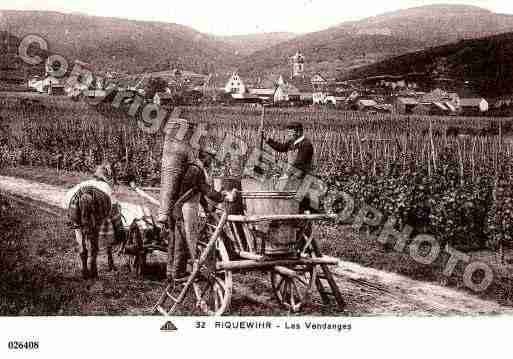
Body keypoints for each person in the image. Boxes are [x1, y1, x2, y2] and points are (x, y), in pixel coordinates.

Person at [170, 148, 236, 282]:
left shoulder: (196, 169)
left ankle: (177, 272)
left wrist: (206, 207)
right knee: (183, 240)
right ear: (205, 157)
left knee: (186, 239)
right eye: (211, 158)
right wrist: (222, 197)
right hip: (184, 208)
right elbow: (204, 189)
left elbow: (195, 192)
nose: (211, 162)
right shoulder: (195, 170)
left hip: (187, 207)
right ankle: (177, 275)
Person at [62, 163, 124, 279]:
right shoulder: (106, 188)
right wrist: (117, 225)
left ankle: (84, 268)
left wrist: (72, 216)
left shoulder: (82, 184)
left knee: (80, 239)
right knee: (94, 240)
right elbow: (114, 208)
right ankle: (93, 268)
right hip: (97, 210)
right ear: (108, 177)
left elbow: (66, 199)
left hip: (75, 204)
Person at [265, 121, 315, 211]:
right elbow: (281, 147)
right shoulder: (292, 142)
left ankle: (304, 219)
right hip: (293, 175)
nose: (288, 134)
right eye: (288, 132)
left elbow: (299, 163)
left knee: (302, 201)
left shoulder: (306, 145)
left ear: (299, 132)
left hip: (303, 176)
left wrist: (287, 174)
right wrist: (268, 140)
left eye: (290, 132)